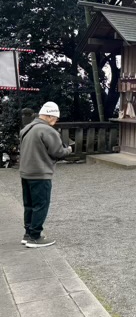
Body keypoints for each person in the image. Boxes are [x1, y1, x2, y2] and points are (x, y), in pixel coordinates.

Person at [19, 102, 72, 248]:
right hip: (40, 173)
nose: (55, 122)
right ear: (49, 116)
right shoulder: (47, 130)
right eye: (55, 118)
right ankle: (35, 236)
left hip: (25, 172)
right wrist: (69, 150)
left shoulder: (27, 128)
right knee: (41, 205)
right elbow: (58, 152)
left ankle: (28, 233)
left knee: (29, 205)